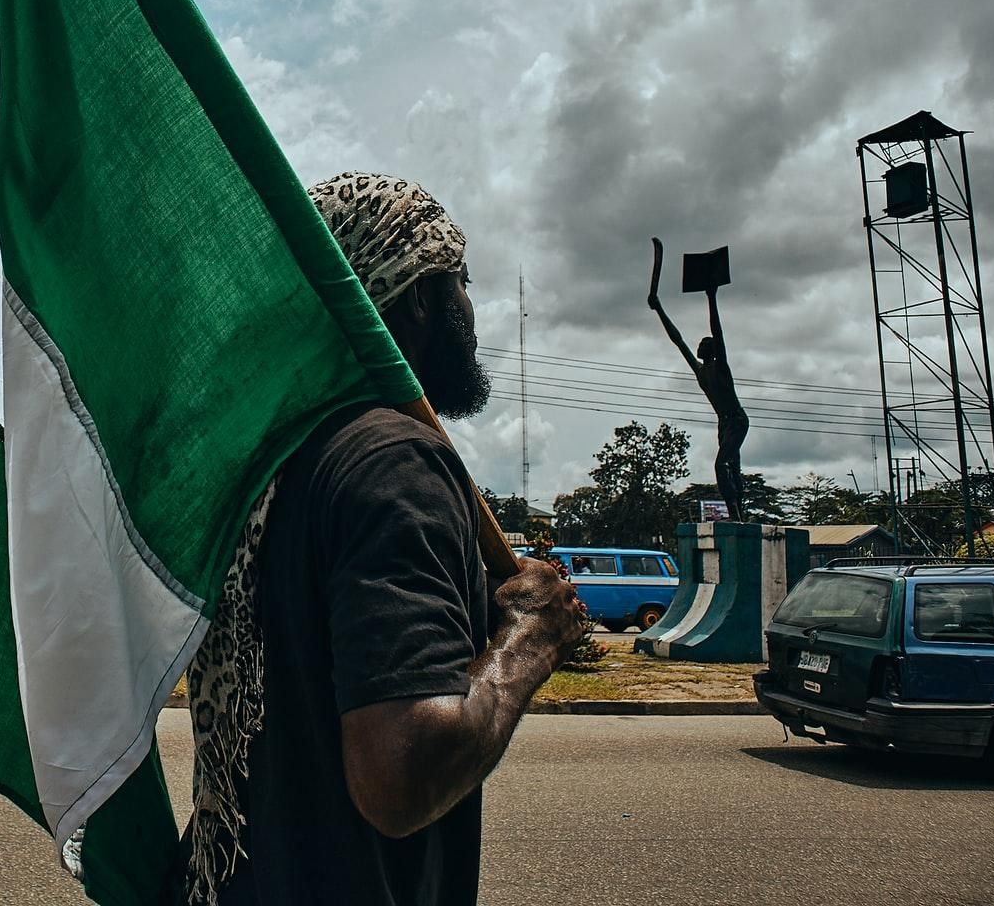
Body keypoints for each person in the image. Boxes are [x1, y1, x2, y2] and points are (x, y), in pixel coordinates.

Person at [176, 172, 589, 906]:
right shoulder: (394, 462)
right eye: (461, 279)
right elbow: (400, 775)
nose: (471, 305)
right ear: (422, 294)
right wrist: (530, 640)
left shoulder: (269, 461)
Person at [647, 238, 751, 521]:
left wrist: (711, 297)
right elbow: (677, 339)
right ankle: (740, 511)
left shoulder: (721, 367)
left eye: (705, 344)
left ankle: (735, 513)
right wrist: (659, 310)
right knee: (733, 466)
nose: (699, 345)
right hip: (724, 422)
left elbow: (716, 329)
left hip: (737, 419)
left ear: (712, 350)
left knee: (722, 465)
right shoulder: (700, 370)